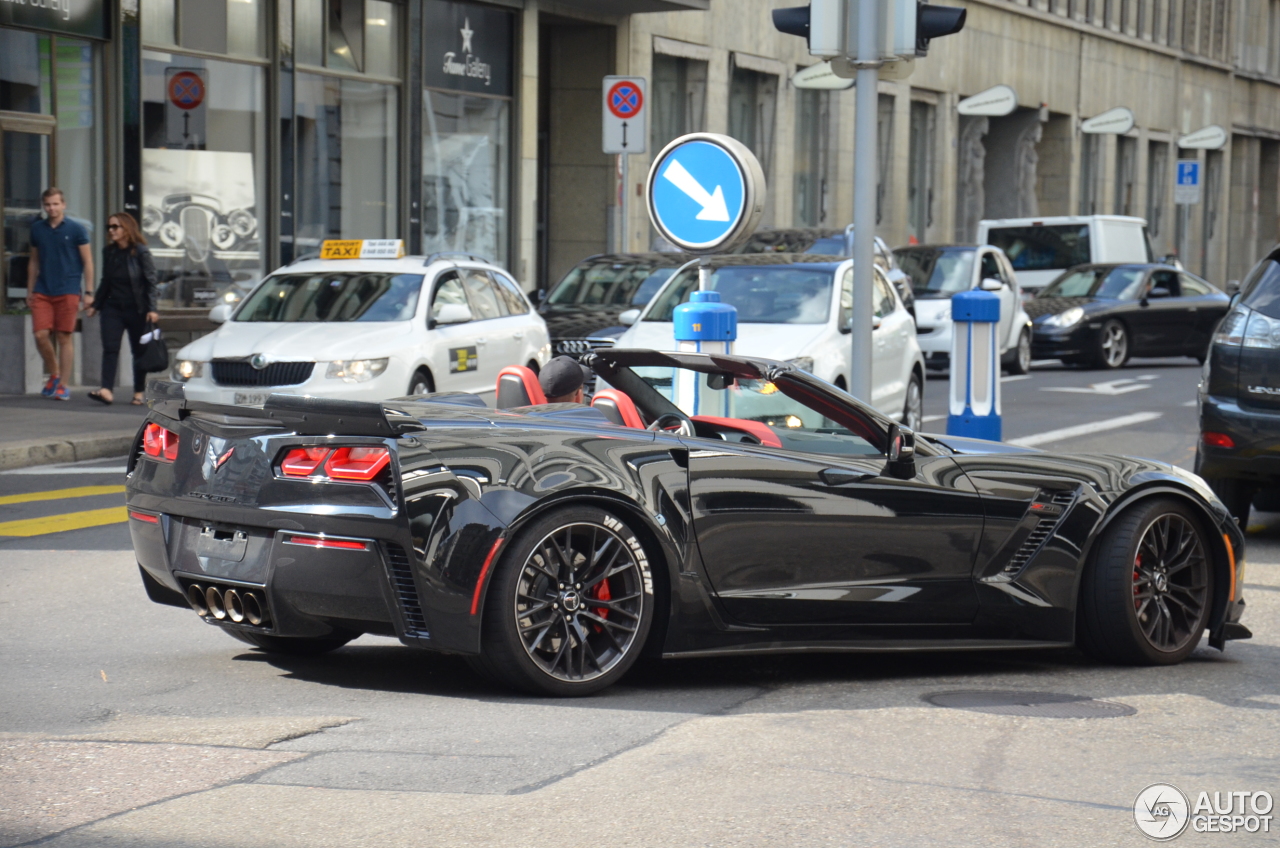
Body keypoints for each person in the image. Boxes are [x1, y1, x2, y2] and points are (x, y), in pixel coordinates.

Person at [86, 212, 159, 405]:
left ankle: (138, 391)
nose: (111, 231)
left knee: (138, 350)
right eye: (109, 227)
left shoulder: (141, 252)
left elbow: (151, 281)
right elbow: (105, 281)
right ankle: (107, 390)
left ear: (127, 228)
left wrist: (152, 308)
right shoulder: (109, 252)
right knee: (110, 348)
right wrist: (96, 305)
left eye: (115, 227)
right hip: (113, 308)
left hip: (137, 309)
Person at [27, 188, 93, 401]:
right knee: (40, 334)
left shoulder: (76, 229)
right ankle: (54, 373)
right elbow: (34, 260)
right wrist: (29, 290)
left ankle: (63, 384)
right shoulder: (37, 229)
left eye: (55, 204)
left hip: (68, 289)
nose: (51, 208)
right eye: (47, 205)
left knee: (64, 336)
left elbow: (88, 262)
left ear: (63, 204)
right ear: (43, 206)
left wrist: (89, 292)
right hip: (43, 289)